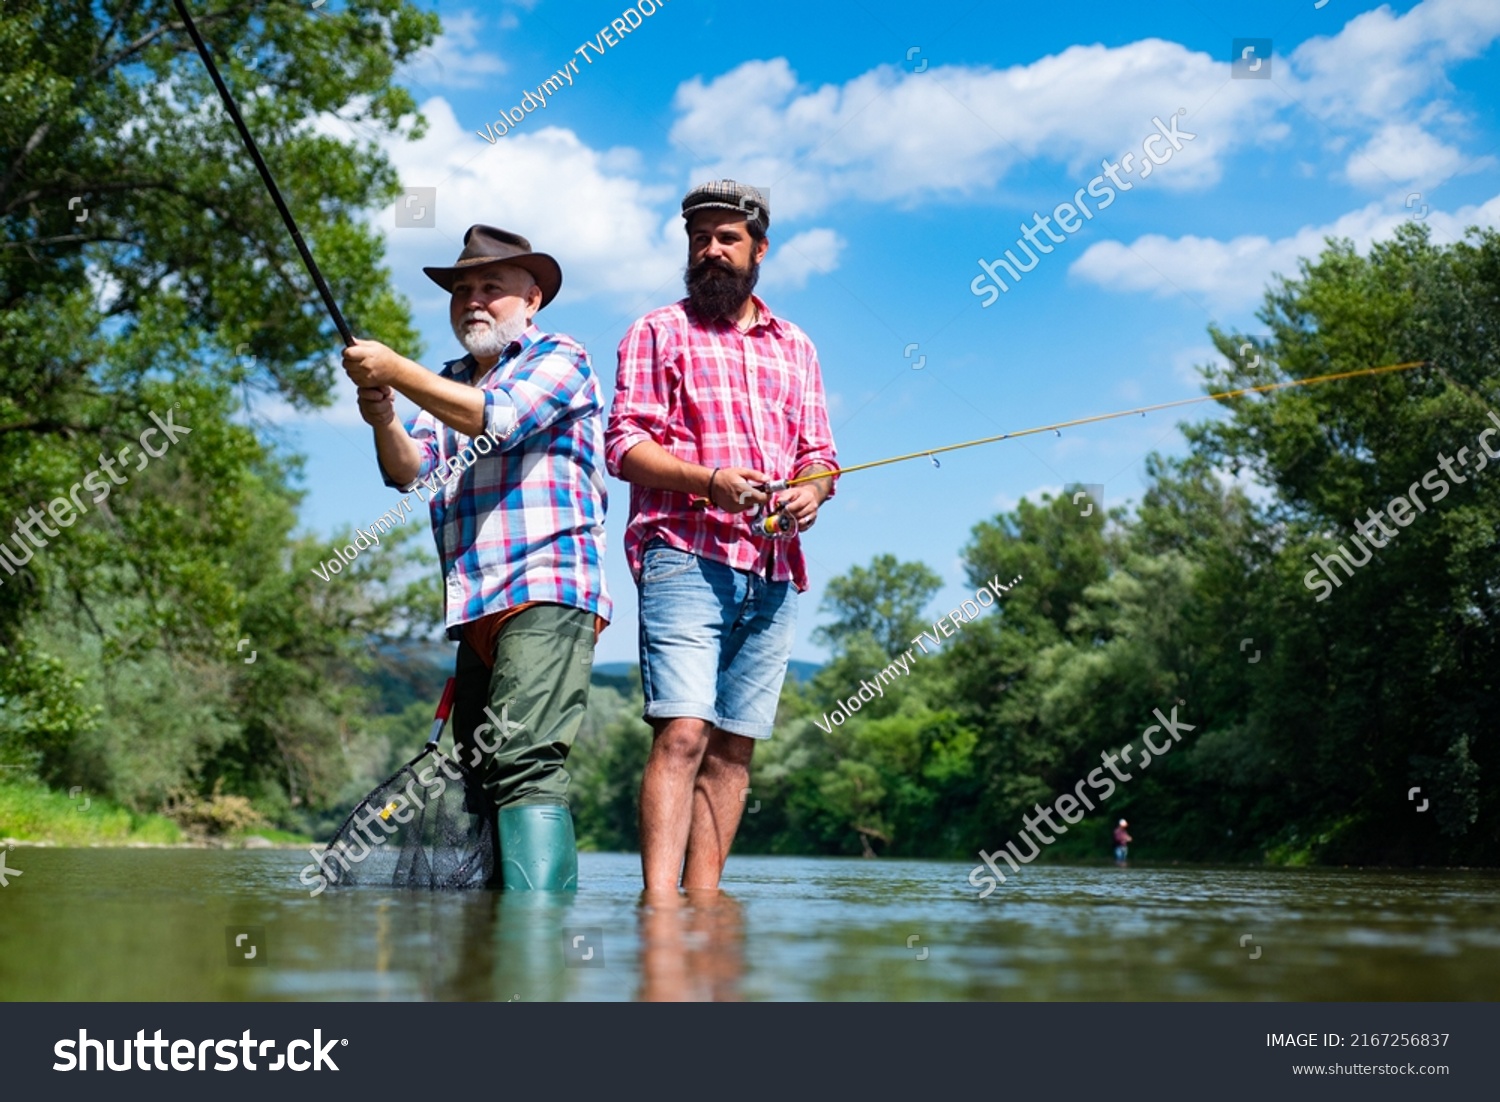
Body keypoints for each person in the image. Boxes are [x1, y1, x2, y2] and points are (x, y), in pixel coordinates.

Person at [342, 224, 611, 890]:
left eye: (492, 286)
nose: (474, 300)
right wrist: (384, 416)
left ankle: (533, 950)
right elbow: (409, 474)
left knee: (524, 761)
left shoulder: (561, 356)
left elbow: (499, 417)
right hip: (476, 604)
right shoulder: (447, 383)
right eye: (462, 289)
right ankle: (494, 961)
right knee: (482, 774)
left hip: (547, 587)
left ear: (533, 298)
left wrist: (395, 371)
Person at [606, 180, 839, 893]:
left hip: (772, 569)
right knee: (682, 734)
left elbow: (822, 457)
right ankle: (660, 908)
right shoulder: (656, 331)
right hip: (682, 552)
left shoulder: (797, 345)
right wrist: (710, 482)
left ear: (759, 250)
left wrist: (812, 490)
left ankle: (703, 904)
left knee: (735, 749)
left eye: (726, 238)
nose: (710, 250)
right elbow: (622, 447)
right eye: (698, 238)